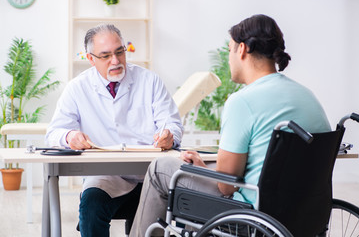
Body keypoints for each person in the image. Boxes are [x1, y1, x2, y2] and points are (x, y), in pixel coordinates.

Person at [129, 14, 331, 237]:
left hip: (252, 214)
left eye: (230, 50)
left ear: (242, 49)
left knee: (160, 168)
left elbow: (226, 186)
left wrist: (200, 171)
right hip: (304, 214)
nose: (228, 58)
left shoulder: (243, 101)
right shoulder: (308, 97)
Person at [45, 24, 183, 237]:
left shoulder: (149, 81)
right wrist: (69, 136)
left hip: (150, 175)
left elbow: (172, 124)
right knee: (91, 206)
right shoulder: (77, 88)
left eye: (120, 52)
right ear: (90, 59)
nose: (116, 61)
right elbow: (54, 133)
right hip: (107, 176)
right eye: (106, 55)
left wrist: (168, 136)